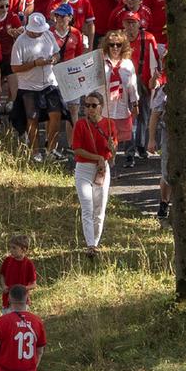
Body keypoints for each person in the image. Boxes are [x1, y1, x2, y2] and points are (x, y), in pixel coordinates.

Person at [10, 11, 66, 161]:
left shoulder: (48, 35)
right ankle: (35, 151)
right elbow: (15, 67)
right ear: (30, 29)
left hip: (49, 82)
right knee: (32, 118)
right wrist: (35, 63)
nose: (40, 33)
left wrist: (54, 59)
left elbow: (57, 53)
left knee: (56, 114)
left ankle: (51, 149)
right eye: (37, 32)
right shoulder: (20, 42)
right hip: (29, 86)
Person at [70, 91, 119, 252]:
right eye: (87, 105)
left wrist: (112, 148)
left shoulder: (110, 124)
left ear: (101, 107)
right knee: (87, 206)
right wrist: (97, 157)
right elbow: (77, 149)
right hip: (84, 169)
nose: (90, 109)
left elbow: (113, 153)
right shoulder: (80, 124)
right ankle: (90, 244)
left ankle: (95, 243)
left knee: (100, 209)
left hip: (102, 170)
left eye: (93, 105)